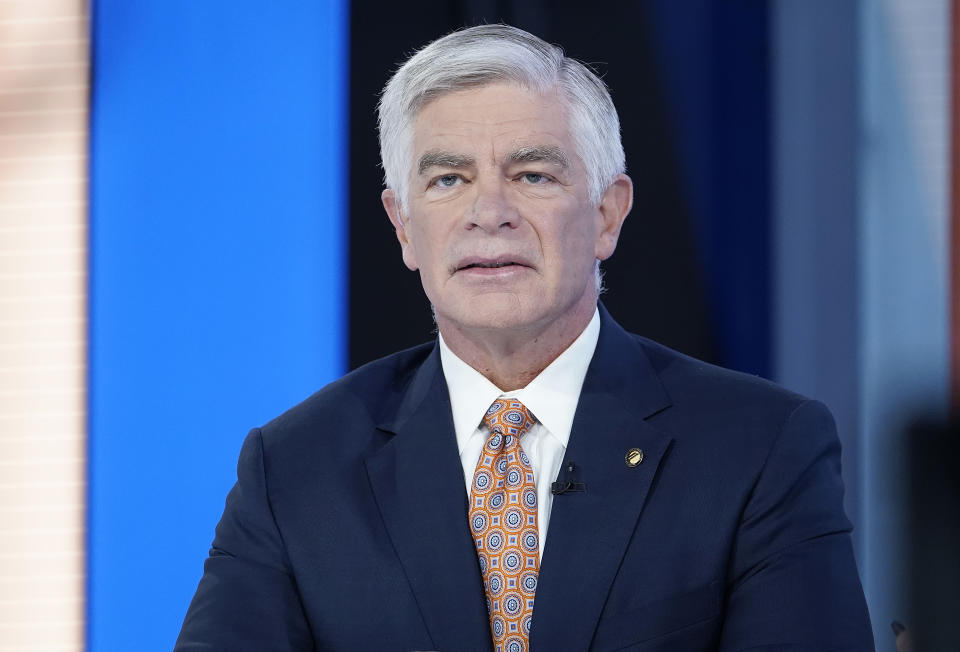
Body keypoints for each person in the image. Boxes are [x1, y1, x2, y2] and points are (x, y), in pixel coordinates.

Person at [176, 24, 874, 651]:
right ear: (404, 227)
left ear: (608, 213)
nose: (490, 213)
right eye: (449, 179)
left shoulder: (761, 449)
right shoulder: (295, 467)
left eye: (532, 174)